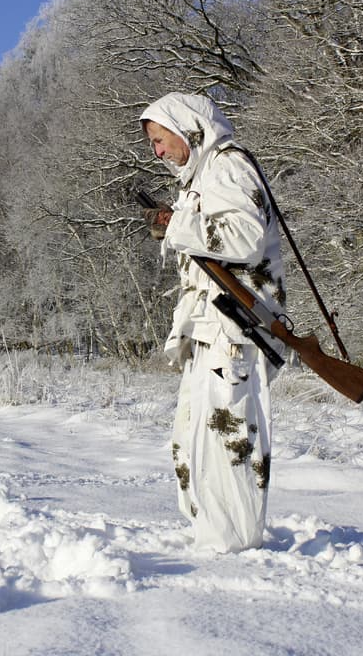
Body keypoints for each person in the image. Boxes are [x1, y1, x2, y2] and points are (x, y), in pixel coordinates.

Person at [140, 93, 286, 552]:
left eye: (162, 140)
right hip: (212, 329)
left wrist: (178, 224)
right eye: (155, 144)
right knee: (194, 438)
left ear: (189, 128)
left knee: (229, 440)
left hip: (235, 332)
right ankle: (214, 536)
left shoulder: (228, 166)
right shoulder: (205, 175)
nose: (158, 152)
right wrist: (177, 220)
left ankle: (233, 545)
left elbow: (243, 238)